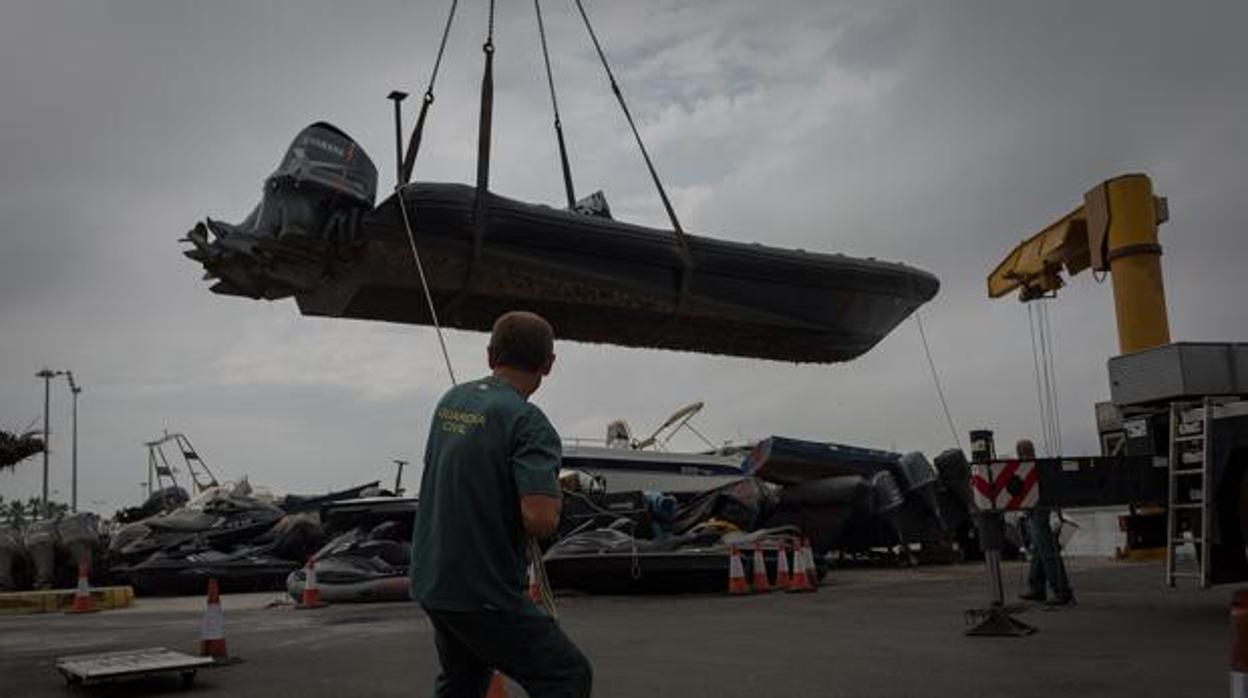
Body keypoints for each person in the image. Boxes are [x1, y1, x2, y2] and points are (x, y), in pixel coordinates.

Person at [410, 311, 592, 698]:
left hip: (433, 580)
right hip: (483, 591)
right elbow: (540, 519)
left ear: (490, 354)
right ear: (549, 364)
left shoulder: (451, 401)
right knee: (567, 675)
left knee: (463, 680)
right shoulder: (529, 423)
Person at [1015, 438, 1076, 606]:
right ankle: (1037, 587)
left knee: (1046, 548)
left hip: (1038, 509)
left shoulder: (1026, 468)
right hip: (1041, 508)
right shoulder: (1041, 467)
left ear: (1019, 453)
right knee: (1039, 548)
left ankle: (1061, 590)